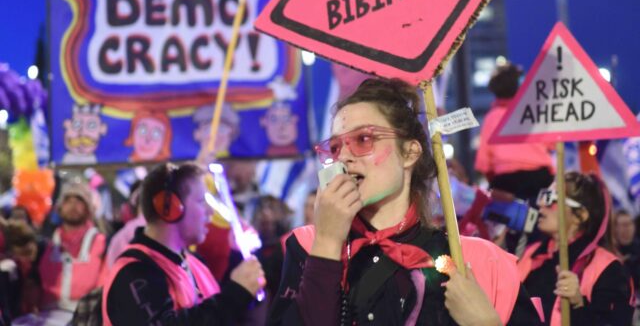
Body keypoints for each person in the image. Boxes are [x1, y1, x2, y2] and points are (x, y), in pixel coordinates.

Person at [269, 78, 542, 325]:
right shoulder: (306, 247)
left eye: (364, 139)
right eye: (336, 147)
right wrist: (327, 242)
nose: (344, 158)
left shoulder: (477, 260)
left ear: (410, 153)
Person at [102, 162, 265, 325]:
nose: (210, 212)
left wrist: (239, 263)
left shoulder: (193, 263)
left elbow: (219, 314)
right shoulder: (134, 272)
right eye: (201, 201)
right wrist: (236, 294)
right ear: (170, 207)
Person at [518, 172, 634, 325]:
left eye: (551, 198)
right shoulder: (532, 253)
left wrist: (578, 304)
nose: (541, 204)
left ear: (580, 215)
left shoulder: (608, 268)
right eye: (543, 195)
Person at [475, 61, 554, 201]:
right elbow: (551, 144)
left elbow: (485, 164)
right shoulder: (532, 112)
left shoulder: (492, 118)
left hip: (506, 181)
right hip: (540, 177)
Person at [39, 181, 106, 312]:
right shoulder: (47, 243)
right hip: (47, 315)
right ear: (60, 208)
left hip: (85, 315)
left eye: (79, 201)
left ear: (88, 208)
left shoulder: (101, 242)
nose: (73, 206)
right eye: (67, 201)